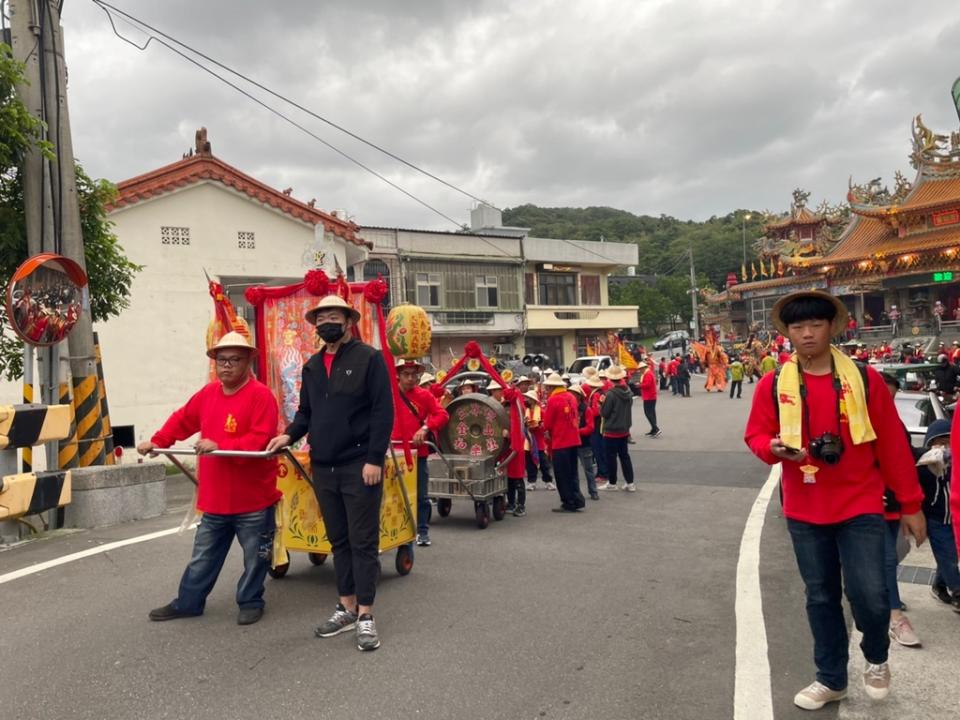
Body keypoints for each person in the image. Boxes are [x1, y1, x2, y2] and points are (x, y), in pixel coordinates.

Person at [744, 290, 926, 711]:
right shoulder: (774, 384)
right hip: (805, 509)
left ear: (832, 327)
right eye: (797, 327)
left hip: (861, 503)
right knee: (820, 595)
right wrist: (773, 447)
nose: (806, 334)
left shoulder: (864, 379)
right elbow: (755, 435)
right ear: (787, 332)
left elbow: (894, 445)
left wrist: (910, 504)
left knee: (870, 593)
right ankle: (831, 678)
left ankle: (877, 658)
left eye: (815, 325)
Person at [266, 294, 394, 652]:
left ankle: (366, 614)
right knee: (338, 540)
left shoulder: (369, 358)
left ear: (349, 321)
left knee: (363, 541)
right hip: (324, 465)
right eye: (321, 319)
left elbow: (383, 411)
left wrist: (374, 458)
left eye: (334, 316)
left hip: (359, 464)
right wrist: (288, 435)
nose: (327, 323)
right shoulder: (312, 365)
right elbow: (306, 413)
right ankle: (346, 605)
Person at [139, 331, 280, 626]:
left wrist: (220, 445)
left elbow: (260, 439)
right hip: (215, 498)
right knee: (202, 556)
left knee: (256, 557)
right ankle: (189, 602)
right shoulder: (208, 394)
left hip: (253, 498)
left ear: (248, 362)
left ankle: (251, 600)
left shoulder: (261, 396)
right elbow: (183, 419)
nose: (226, 366)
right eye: (221, 360)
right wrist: (157, 440)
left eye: (234, 360)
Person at [878, 372, 921, 648]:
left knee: (892, 557)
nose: (888, 404)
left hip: (896, 506)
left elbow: (904, 464)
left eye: (892, 399)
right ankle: (894, 615)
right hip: (872, 506)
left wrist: (910, 506)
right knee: (886, 560)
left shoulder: (898, 428)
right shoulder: (858, 426)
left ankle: (882, 598)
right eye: (884, 398)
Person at [392, 358, 449, 548]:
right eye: (406, 375)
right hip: (392, 453)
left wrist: (425, 428)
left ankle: (422, 531)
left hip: (418, 453)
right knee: (393, 495)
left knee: (421, 496)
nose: (410, 379)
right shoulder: (387, 394)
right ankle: (394, 531)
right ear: (398, 376)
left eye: (413, 375)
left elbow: (442, 414)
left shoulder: (424, 395)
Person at [916, 419, 960, 611]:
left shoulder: (956, 466)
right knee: (948, 555)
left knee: (951, 555)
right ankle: (957, 590)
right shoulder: (924, 469)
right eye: (939, 442)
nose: (944, 447)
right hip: (936, 519)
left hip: (954, 519)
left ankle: (939, 584)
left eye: (949, 442)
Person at [542, 372, 585, 512]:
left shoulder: (554, 400)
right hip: (574, 439)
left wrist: (545, 428)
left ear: (551, 387)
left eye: (548, 387)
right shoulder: (571, 396)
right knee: (573, 473)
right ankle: (577, 498)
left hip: (560, 441)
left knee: (562, 474)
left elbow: (547, 423)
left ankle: (568, 501)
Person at [598, 365, 636, 492]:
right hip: (624, 429)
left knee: (611, 457)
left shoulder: (610, 394)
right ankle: (630, 482)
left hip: (611, 430)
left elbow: (605, 413)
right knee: (625, 456)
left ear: (610, 379)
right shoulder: (628, 392)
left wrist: (601, 404)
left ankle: (612, 483)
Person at [570, 383, 599, 500]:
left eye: (573, 394)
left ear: (579, 396)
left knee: (588, 470)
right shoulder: (569, 408)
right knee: (573, 471)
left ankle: (593, 491)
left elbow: (590, 428)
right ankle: (575, 493)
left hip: (584, 443)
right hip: (572, 443)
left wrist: (576, 431)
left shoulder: (586, 410)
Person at [523, 390, 555, 492]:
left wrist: (539, 425)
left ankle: (548, 481)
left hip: (539, 441)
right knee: (530, 463)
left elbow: (545, 425)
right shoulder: (525, 411)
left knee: (544, 463)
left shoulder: (541, 411)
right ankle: (531, 482)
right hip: (528, 440)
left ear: (533, 400)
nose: (526, 400)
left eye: (528, 398)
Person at [639, 358, 661, 437]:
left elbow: (647, 385)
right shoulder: (647, 373)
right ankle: (653, 428)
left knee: (648, 413)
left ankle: (656, 428)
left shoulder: (647, 374)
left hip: (649, 396)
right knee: (651, 413)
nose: (640, 370)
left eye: (640, 369)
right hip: (650, 396)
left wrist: (639, 385)